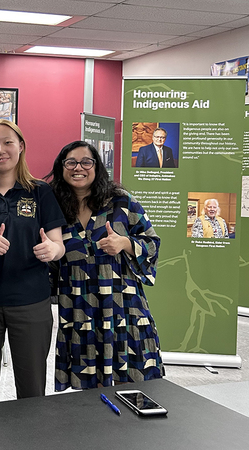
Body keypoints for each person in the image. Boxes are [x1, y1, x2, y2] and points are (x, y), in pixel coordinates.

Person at [0, 120, 65, 403]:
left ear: (21, 146)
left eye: (7, 142)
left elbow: (59, 245)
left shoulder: (40, 192)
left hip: (30, 301)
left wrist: (51, 250)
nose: (0, 150)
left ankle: (29, 445)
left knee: (31, 388)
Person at [48, 140, 163, 391]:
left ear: (97, 167)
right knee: (88, 384)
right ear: (61, 167)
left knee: (127, 377)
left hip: (120, 302)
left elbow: (152, 242)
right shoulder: (53, 205)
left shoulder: (121, 202)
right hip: (78, 304)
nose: (79, 168)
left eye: (86, 162)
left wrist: (125, 243)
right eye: (71, 162)